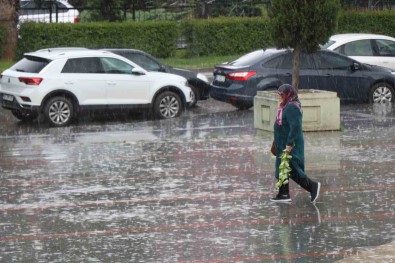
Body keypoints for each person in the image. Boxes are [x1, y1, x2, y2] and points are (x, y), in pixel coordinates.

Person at [271, 84, 320, 203]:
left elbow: (295, 128)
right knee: (282, 168)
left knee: (293, 170)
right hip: (281, 144)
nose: (280, 97)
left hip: (289, 145)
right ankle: (283, 193)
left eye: (282, 94)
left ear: (288, 94)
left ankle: (312, 186)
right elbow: (281, 125)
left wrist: (289, 144)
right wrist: (275, 143)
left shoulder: (292, 107)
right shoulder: (284, 106)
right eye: (279, 94)